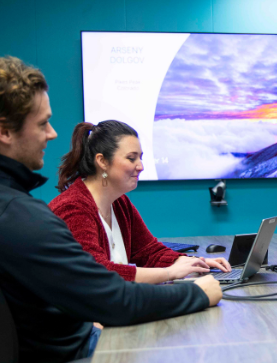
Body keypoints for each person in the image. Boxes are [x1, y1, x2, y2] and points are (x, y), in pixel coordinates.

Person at [0, 56, 223, 363]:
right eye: (42, 123)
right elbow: (113, 301)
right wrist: (197, 292)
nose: (53, 134)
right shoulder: (15, 217)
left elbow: (123, 271)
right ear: (3, 131)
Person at [49, 120, 230, 283]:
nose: (141, 166)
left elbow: (149, 251)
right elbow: (96, 273)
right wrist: (169, 273)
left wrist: (196, 263)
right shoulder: (73, 208)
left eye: (140, 157)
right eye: (131, 158)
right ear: (102, 161)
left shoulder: (120, 204)